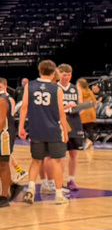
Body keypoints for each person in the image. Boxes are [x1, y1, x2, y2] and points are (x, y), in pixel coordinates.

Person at [17, 59, 70, 206]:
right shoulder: (56, 89)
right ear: (54, 73)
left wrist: (21, 127)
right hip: (53, 129)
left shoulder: (30, 85)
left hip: (36, 129)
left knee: (36, 161)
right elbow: (61, 113)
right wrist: (65, 131)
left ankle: (31, 189)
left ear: (39, 71)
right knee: (56, 162)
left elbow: (24, 107)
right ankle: (59, 195)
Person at [57, 63, 84, 194]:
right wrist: (66, 107)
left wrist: (78, 107)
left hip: (75, 122)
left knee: (74, 153)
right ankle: (59, 181)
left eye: (68, 75)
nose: (66, 77)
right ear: (58, 74)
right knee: (61, 154)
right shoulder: (55, 88)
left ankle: (71, 179)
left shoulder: (75, 89)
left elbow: (80, 106)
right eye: (64, 74)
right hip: (61, 123)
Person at [0, 77, 25, 207]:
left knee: (3, 165)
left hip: (4, 136)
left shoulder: (3, 99)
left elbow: (2, 121)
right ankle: (12, 186)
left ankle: (4, 196)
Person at [77, 77, 98, 148]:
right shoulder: (89, 91)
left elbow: (80, 102)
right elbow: (95, 102)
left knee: (80, 128)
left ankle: (83, 142)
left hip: (84, 110)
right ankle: (90, 141)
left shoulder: (79, 90)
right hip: (91, 111)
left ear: (79, 84)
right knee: (89, 128)